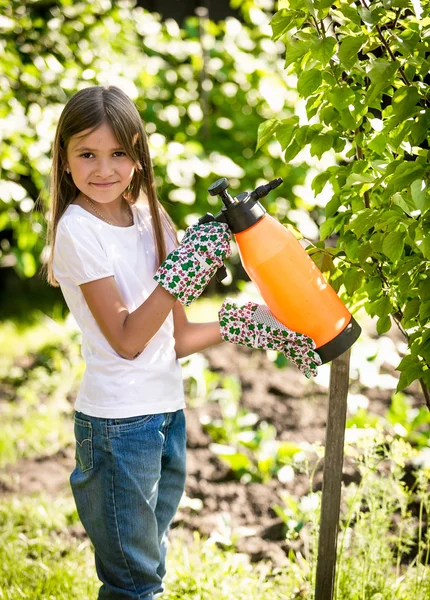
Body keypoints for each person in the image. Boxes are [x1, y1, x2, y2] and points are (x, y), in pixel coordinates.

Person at [44, 85, 321, 600]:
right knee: (134, 583)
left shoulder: (153, 221)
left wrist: (246, 323)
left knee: (148, 566)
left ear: (138, 158)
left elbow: (176, 338)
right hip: (115, 430)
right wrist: (178, 276)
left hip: (166, 417)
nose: (103, 169)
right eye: (87, 154)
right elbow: (128, 340)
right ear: (64, 159)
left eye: (118, 154)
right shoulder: (77, 232)